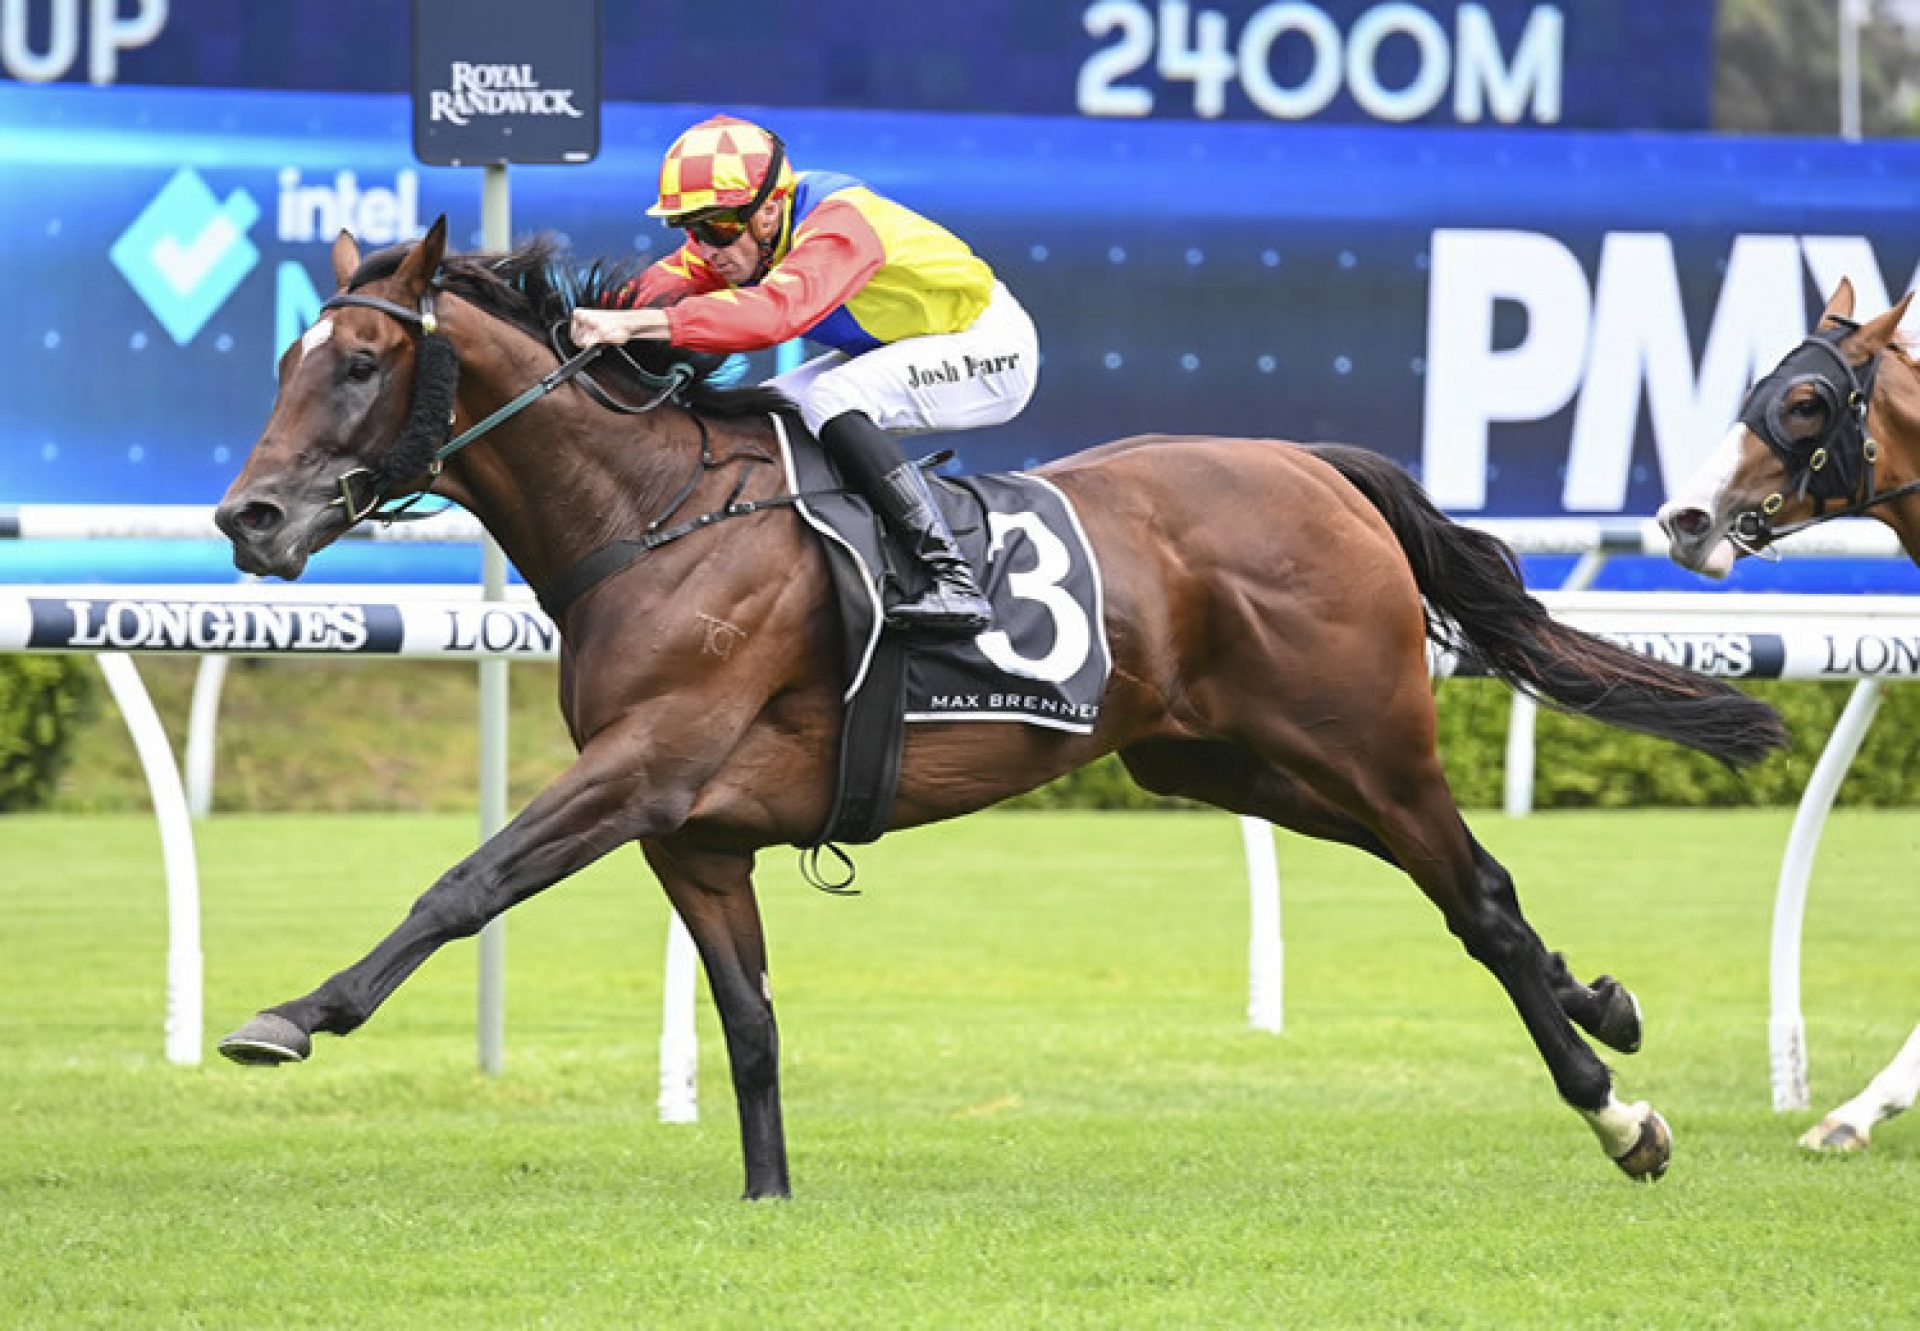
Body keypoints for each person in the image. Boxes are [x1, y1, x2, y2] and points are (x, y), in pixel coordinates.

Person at [570, 114, 1039, 633]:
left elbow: (774, 315)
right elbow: (644, 293)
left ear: (770, 209)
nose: (705, 249)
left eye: (716, 228)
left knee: (833, 398)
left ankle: (951, 578)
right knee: (764, 414)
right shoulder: (736, 239)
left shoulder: (840, 223)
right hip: (907, 342)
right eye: (690, 230)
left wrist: (645, 325)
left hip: (985, 345)